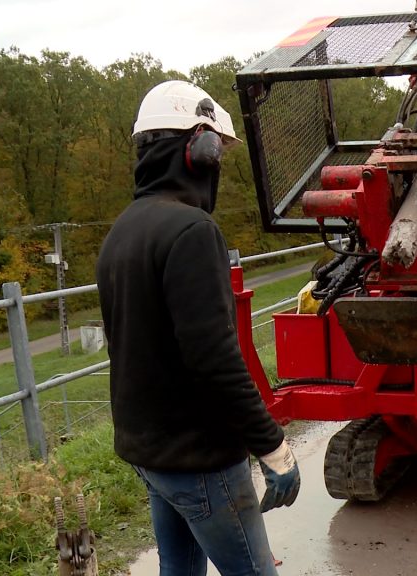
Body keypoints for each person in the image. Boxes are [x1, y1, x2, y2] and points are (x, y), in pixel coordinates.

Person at [96, 80, 300, 575]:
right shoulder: (192, 231)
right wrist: (272, 447)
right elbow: (216, 359)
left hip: (151, 454)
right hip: (201, 461)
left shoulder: (123, 230)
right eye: (218, 154)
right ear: (200, 151)